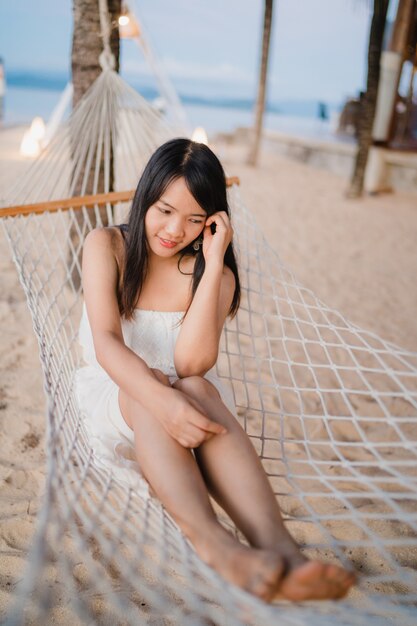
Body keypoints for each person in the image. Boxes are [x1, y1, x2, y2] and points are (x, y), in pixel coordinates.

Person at [75, 138, 355, 602]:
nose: (173, 230)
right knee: (154, 387)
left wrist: (213, 263)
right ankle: (218, 548)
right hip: (115, 393)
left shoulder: (214, 275)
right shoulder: (106, 245)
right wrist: (160, 398)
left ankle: (286, 556)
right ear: (145, 196)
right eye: (164, 210)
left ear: (212, 221)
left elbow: (191, 362)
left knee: (197, 386)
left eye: (193, 219)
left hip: (188, 400)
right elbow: (105, 343)